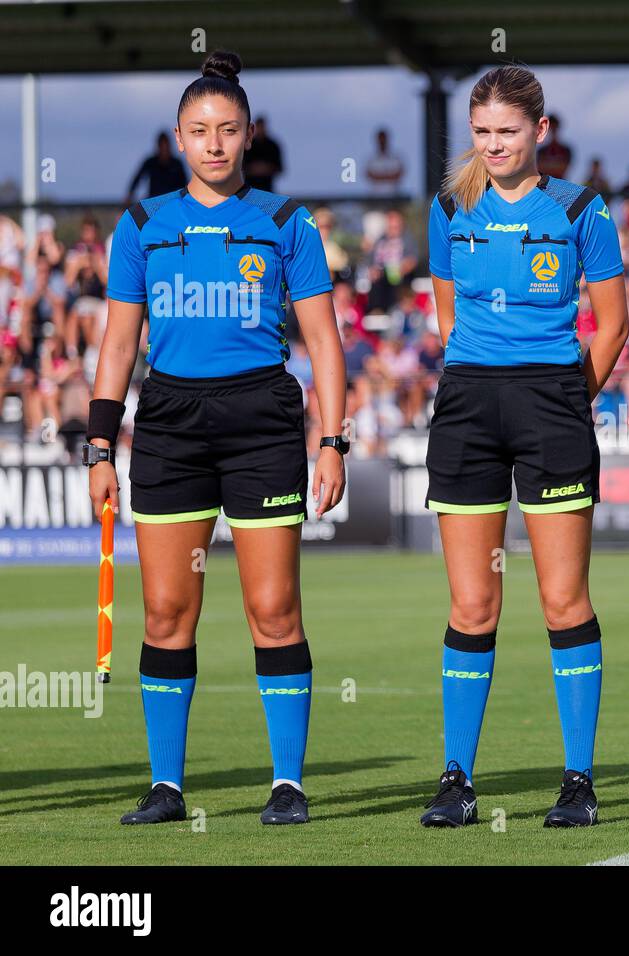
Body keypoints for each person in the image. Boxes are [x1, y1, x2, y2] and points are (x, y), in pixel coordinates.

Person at [87, 50, 347, 828]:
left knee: (273, 608)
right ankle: (167, 786)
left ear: (248, 135)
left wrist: (331, 441)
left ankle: (288, 785)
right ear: (176, 138)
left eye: (227, 130)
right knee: (166, 610)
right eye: (199, 131)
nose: (214, 144)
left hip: (262, 421)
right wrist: (99, 449)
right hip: (167, 424)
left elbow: (325, 345)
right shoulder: (140, 226)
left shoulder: (284, 222)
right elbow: (115, 346)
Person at [422, 66, 628, 828]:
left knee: (561, 598)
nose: (494, 145)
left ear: (542, 132)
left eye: (507, 132)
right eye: (481, 133)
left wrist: (573, 396)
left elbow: (612, 323)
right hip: (469, 403)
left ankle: (578, 780)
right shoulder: (450, 206)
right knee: (473, 602)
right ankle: (456, 780)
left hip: (553, 403)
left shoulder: (581, 208)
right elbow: (448, 316)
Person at [126, 131, 189, 203]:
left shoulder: (177, 164)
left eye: (166, 146)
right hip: (153, 201)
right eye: (162, 146)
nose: (164, 150)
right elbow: (137, 178)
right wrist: (130, 194)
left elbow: (185, 184)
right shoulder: (150, 162)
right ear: (158, 146)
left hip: (172, 202)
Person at [243, 114, 284, 191]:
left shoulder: (273, 145)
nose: (261, 129)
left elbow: (280, 168)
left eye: (262, 127)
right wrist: (253, 168)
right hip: (250, 188)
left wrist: (266, 169)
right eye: (259, 127)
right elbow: (240, 167)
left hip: (267, 188)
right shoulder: (248, 144)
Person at [364, 127, 406, 195]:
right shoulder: (371, 160)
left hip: (394, 197)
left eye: (384, 140)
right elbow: (369, 176)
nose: (382, 142)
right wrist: (389, 176)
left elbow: (399, 175)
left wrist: (379, 176)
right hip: (375, 197)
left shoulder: (396, 159)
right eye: (380, 140)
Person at [537, 112, 573, 179]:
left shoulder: (566, 150)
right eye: (551, 127)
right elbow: (540, 169)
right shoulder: (542, 151)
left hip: (561, 185)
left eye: (554, 127)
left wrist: (547, 165)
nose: (553, 130)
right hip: (546, 186)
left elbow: (564, 169)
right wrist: (557, 165)